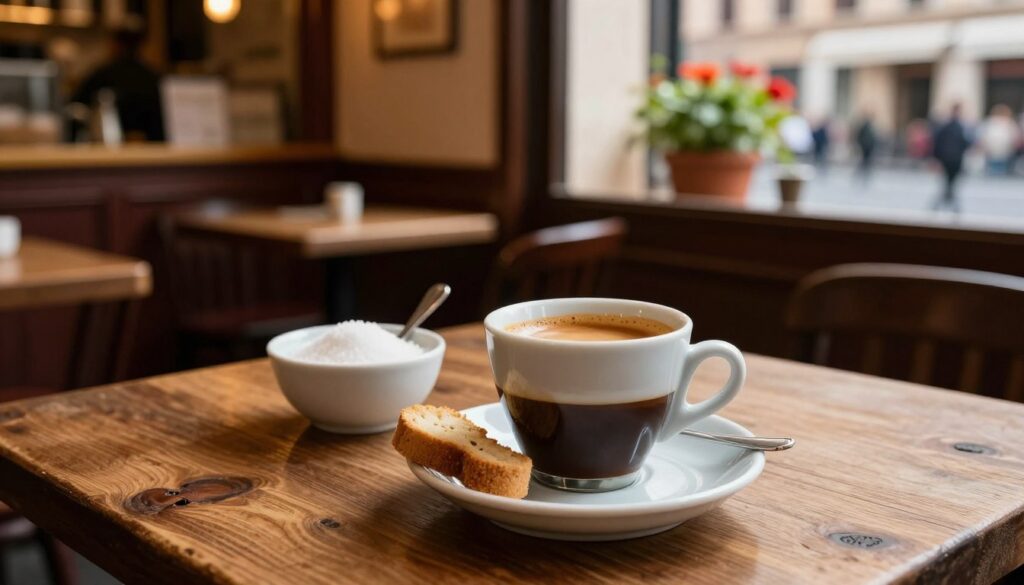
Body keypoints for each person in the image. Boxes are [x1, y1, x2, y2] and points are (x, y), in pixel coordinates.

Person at [71, 31, 165, 142]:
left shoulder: (102, 75)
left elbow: (76, 107)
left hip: (108, 147)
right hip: (154, 149)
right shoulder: (155, 77)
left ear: (116, 44)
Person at [931, 103, 972, 212]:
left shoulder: (957, 126)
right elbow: (938, 143)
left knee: (950, 182)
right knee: (950, 182)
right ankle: (949, 203)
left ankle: (944, 201)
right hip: (951, 158)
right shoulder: (955, 127)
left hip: (953, 158)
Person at [977, 104, 1019, 175]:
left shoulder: (1009, 123)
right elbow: (983, 135)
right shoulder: (990, 122)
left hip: (1005, 150)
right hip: (992, 150)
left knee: (1002, 169)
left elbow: (1015, 136)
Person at [854, 113, 877, 183]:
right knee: (864, 161)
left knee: (866, 161)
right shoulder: (865, 128)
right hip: (865, 147)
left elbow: (873, 139)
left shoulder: (870, 128)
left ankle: (865, 174)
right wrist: (862, 144)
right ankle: (861, 174)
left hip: (868, 148)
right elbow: (859, 137)